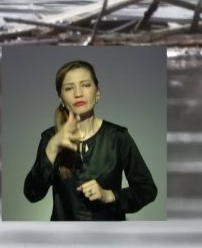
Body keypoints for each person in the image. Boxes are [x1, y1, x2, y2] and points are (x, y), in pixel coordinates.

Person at [22, 60, 158, 220]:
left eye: (85, 85)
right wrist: (52, 148)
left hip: (109, 240)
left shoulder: (118, 137)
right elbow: (32, 194)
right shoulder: (50, 138)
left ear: (97, 92)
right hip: (64, 241)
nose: (78, 93)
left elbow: (147, 189)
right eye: (69, 88)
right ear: (61, 98)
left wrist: (109, 195)